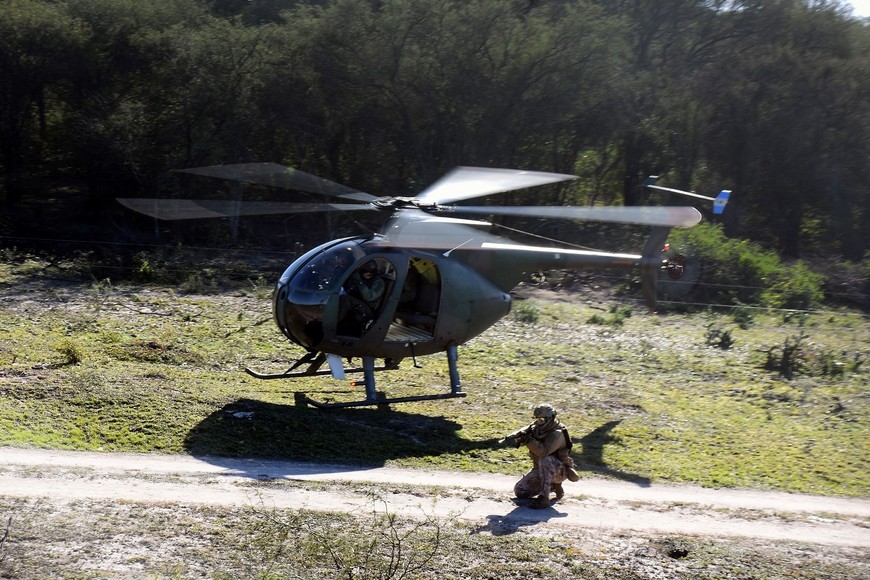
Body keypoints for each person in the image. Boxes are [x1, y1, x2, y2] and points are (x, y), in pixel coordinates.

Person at [502, 403, 580, 509]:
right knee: (520, 491)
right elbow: (528, 428)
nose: (539, 422)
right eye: (537, 419)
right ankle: (552, 486)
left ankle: (544, 498)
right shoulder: (536, 428)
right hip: (541, 470)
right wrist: (518, 437)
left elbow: (543, 451)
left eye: (542, 420)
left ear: (551, 418)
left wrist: (528, 440)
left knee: (545, 459)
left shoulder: (557, 433)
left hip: (559, 470)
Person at [339, 260, 386, 333]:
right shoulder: (357, 278)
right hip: (356, 305)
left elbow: (369, 297)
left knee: (346, 299)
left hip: (367, 310)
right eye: (365, 270)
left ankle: (333, 322)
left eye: (372, 271)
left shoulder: (378, 282)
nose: (368, 273)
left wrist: (359, 282)